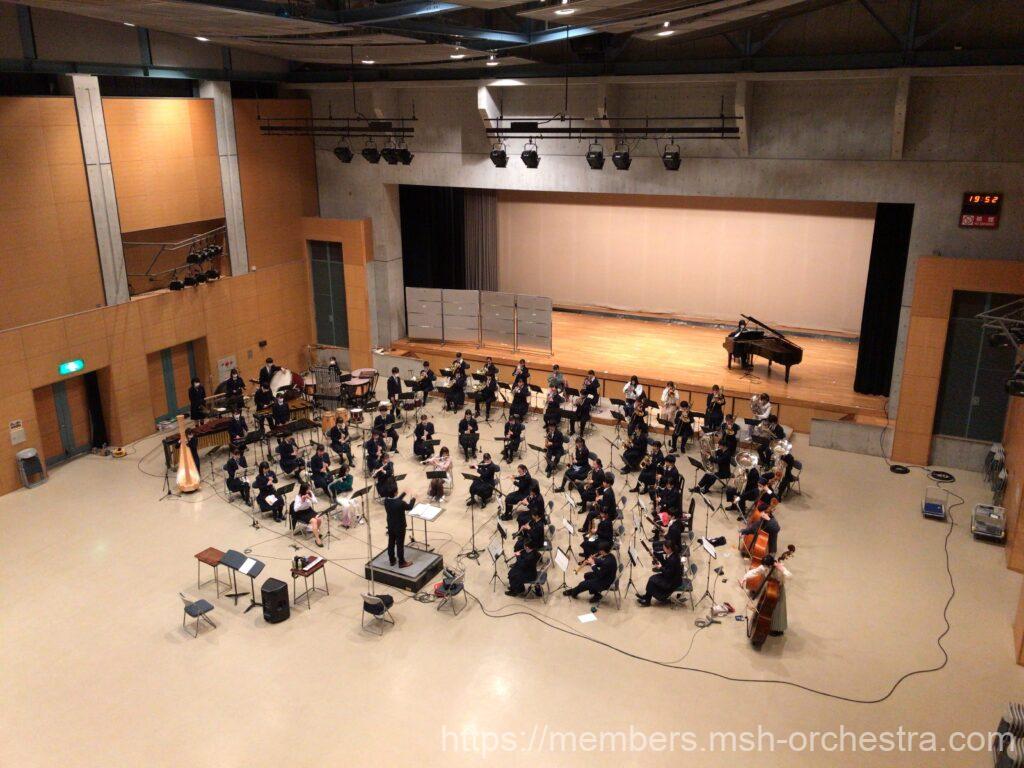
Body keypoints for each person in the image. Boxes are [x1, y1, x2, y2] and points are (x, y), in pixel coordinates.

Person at [741, 553, 791, 635]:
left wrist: (782, 569)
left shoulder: (778, 568)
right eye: (764, 566)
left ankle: (778, 629)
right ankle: (766, 624)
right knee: (764, 606)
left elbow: (790, 576)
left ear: (771, 565)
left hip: (777, 589)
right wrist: (744, 578)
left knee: (778, 609)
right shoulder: (764, 566)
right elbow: (754, 572)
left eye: (767, 566)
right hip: (769, 587)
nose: (765, 568)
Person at [636, 539, 683, 606]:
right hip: (670, 576)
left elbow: (668, 574)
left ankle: (647, 601)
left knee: (652, 581)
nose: (663, 549)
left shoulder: (673, 559)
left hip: (672, 581)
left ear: (669, 549)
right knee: (652, 579)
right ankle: (646, 597)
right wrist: (655, 556)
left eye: (664, 548)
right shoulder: (671, 554)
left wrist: (660, 567)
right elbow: (666, 565)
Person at [384, 490, 414, 567]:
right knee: (400, 544)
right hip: (400, 527)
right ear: (395, 493)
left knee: (391, 543)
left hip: (391, 525)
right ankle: (401, 562)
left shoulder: (386, 501)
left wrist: (404, 493)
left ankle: (392, 560)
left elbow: (395, 501)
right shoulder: (401, 503)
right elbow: (409, 507)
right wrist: (413, 499)